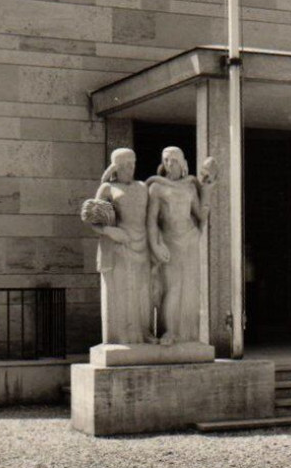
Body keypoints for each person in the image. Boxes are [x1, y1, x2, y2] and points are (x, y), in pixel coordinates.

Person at [82, 148, 154, 345]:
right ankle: (123, 336)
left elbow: (152, 217)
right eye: (125, 165)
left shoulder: (142, 187)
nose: (130, 168)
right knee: (123, 291)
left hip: (142, 244)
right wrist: (109, 231)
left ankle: (143, 332)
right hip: (119, 246)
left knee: (142, 292)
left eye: (133, 164)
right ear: (117, 167)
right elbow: (91, 216)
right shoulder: (107, 188)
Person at [146, 147, 215, 345]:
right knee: (172, 287)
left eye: (174, 160)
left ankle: (188, 334)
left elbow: (200, 215)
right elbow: (151, 221)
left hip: (190, 239)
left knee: (190, 288)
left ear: (183, 163)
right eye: (166, 160)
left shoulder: (190, 187)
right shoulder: (156, 187)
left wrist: (208, 191)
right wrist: (155, 245)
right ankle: (169, 331)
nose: (170, 164)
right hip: (169, 241)